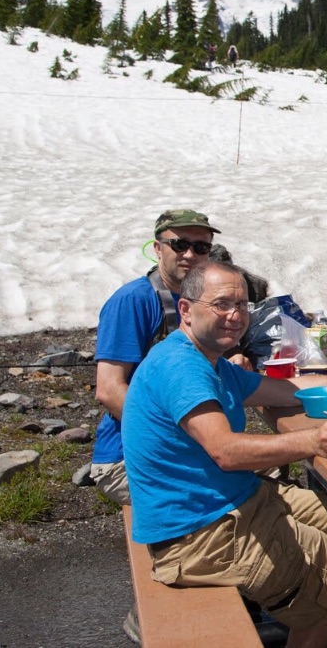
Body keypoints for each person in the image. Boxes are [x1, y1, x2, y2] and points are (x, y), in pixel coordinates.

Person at [122, 261, 327, 648]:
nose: (236, 316)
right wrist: (314, 441)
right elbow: (226, 452)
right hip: (198, 532)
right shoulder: (180, 366)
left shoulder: (210, 361)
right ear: (186, 310)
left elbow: (286, 388)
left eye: (243, 305)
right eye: (222, 304)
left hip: (235, 500)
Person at [91, 209, 221, 507]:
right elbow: (109, 390)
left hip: (184, 446)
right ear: (157, 248)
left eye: (200, 247)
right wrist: (191, 436)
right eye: (179, 245)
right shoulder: (132, 301)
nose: (190, 254)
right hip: (129, 459)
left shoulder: (199, 301)